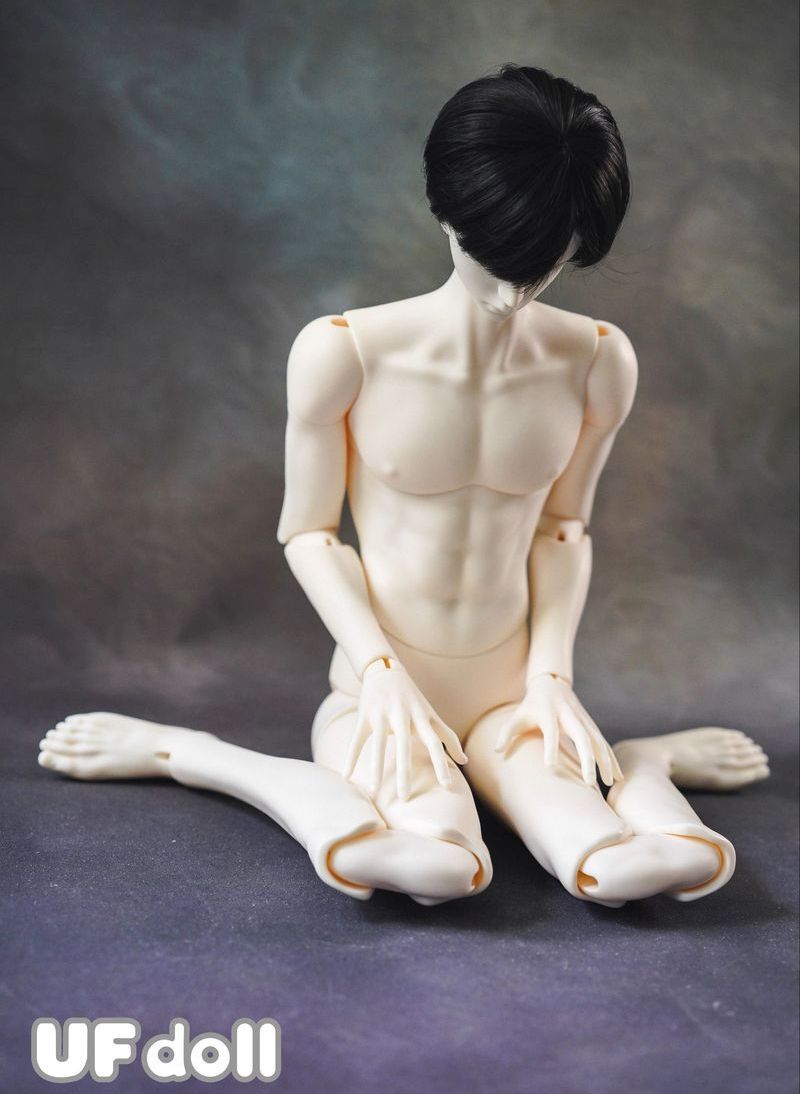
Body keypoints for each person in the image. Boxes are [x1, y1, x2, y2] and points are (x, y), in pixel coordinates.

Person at [39, 65, 768, 907]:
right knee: (436, 869)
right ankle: (195, 753)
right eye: (498, 258)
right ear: (446, 215)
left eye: (547, 264)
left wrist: (552, 677)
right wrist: (379, 668)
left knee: (621, 870)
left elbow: (562, 529)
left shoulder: (598, 360)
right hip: (382, 690)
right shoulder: (344, 352)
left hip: (515, 694)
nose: (514, 290)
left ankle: (644, 760)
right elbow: (310, 533)